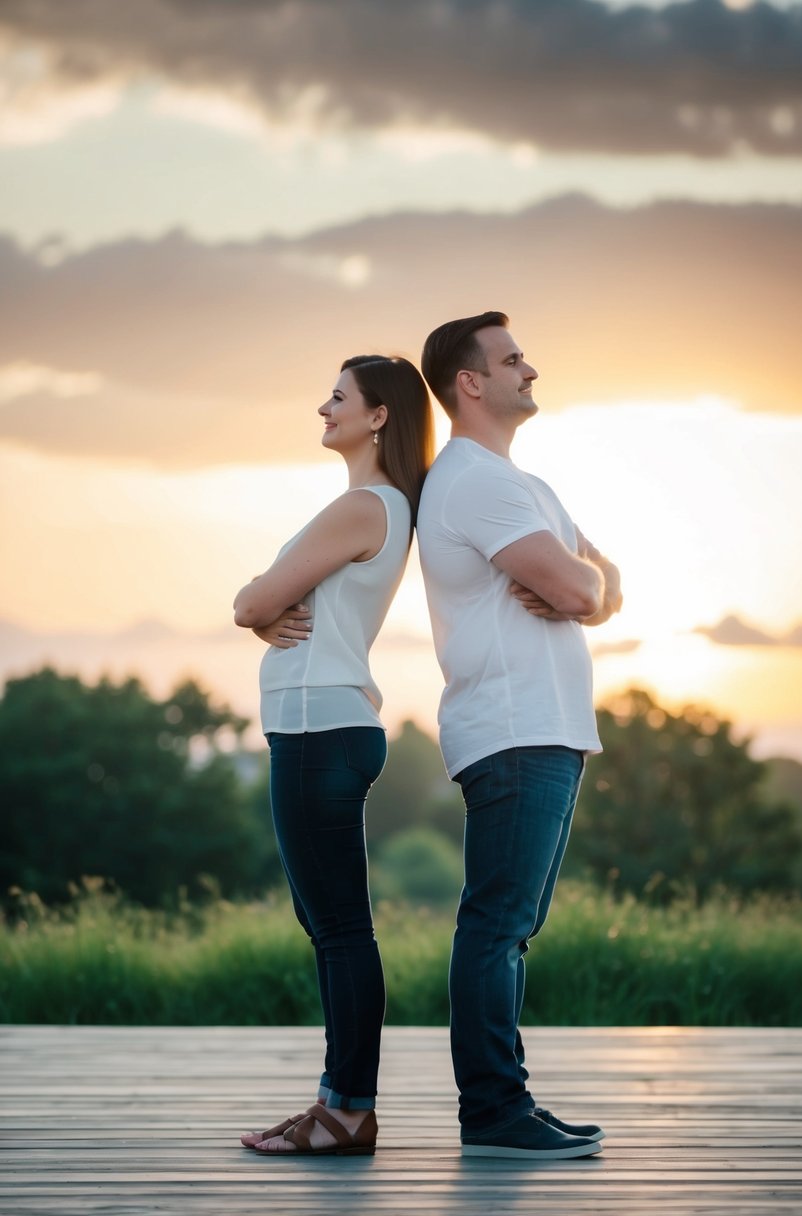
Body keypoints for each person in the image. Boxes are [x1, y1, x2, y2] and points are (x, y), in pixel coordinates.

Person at [417, 311, 622, 1160]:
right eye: (510, 359)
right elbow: (583, 594)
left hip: (546, 730)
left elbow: (606, 584)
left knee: (509, 925)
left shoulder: (523, 485)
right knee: (496, 924)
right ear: (470, 383)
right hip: (512, 730)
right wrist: (585, 586)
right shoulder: (477, 482)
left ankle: (506, 1104)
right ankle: (493, 1113)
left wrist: (588, 585)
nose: (528, 369)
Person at [233, 354, 434, 1156]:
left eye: (338, 396)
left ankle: (347, 1111)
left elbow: (254, 599)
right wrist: (262, 610)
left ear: (378, 415)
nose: (323, 407)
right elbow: (267, 606)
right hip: (321, 726)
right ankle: (335, 1103)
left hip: (321, 728)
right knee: (332, 927)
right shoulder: (371, 507)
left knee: (340, 930)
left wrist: (256, 610)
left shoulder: (362, 506)